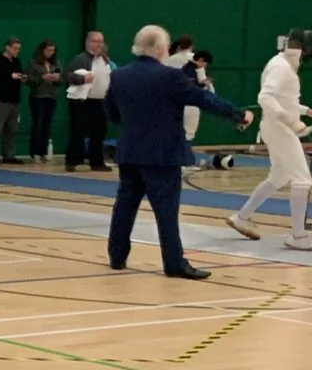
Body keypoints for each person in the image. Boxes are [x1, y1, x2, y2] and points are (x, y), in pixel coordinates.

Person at [105, 25, 249, 280]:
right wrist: (238, 114)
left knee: (125, 205)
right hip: (163, 154)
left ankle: (117, 256)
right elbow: (204, 99)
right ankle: (174, 263)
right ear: (162, 49)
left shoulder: (119, 76)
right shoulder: (170, 77)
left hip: (130, 150)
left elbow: (113, 114)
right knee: (166, 212)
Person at [228, 29, 312, 251]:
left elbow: (285, 100)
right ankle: (298, 236)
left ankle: (241, 217)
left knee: (279, 176)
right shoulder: (281, 67)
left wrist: (309, 112)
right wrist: (291, 121)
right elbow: (265, 97)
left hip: (275, 127)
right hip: (279, 128)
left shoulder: (282, 64)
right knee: (302, 180)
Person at [64, 30, 114, 171]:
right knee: (78, 132)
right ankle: (72, 161)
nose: (99, 45)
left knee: (99, 132)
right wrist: (81, 79)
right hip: (82, 102)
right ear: (88, 42)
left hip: (99, 101)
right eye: (96, 41)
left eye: (101, 42)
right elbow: (67, 76)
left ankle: (96, 161)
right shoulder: (80, 59)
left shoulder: (104, 60)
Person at [24, 40, 61, 161]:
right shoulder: (33, 63)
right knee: (38, 123)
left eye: (52, 50)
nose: (50, 53)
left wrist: (57, 78)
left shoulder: (55, 63)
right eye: (48, 50)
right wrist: (42, 78)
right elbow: (28, 79)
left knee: (47, 124)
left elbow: (62, 79)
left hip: (52, 96)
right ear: (42, 50)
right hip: (38, 96)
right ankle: (35, 151)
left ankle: (43, 151)